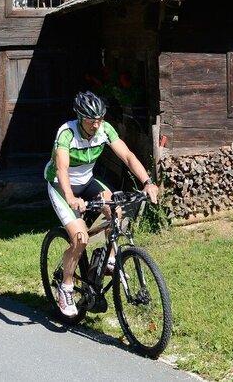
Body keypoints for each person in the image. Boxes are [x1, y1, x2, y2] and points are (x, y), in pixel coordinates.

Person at [44, 90, 158, 318]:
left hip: (86, 182)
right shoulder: (67, 133)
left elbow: (127, 156)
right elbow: (62, 169)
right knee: (80, 238)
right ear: (79, 117)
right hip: (61, 186)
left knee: (118, 209)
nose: (96, 125)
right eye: (91, 121)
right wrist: (71, 198)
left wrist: (147, 182)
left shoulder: (105, 129)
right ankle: (66, 287)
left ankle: (110, 260)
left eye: (99, 120)